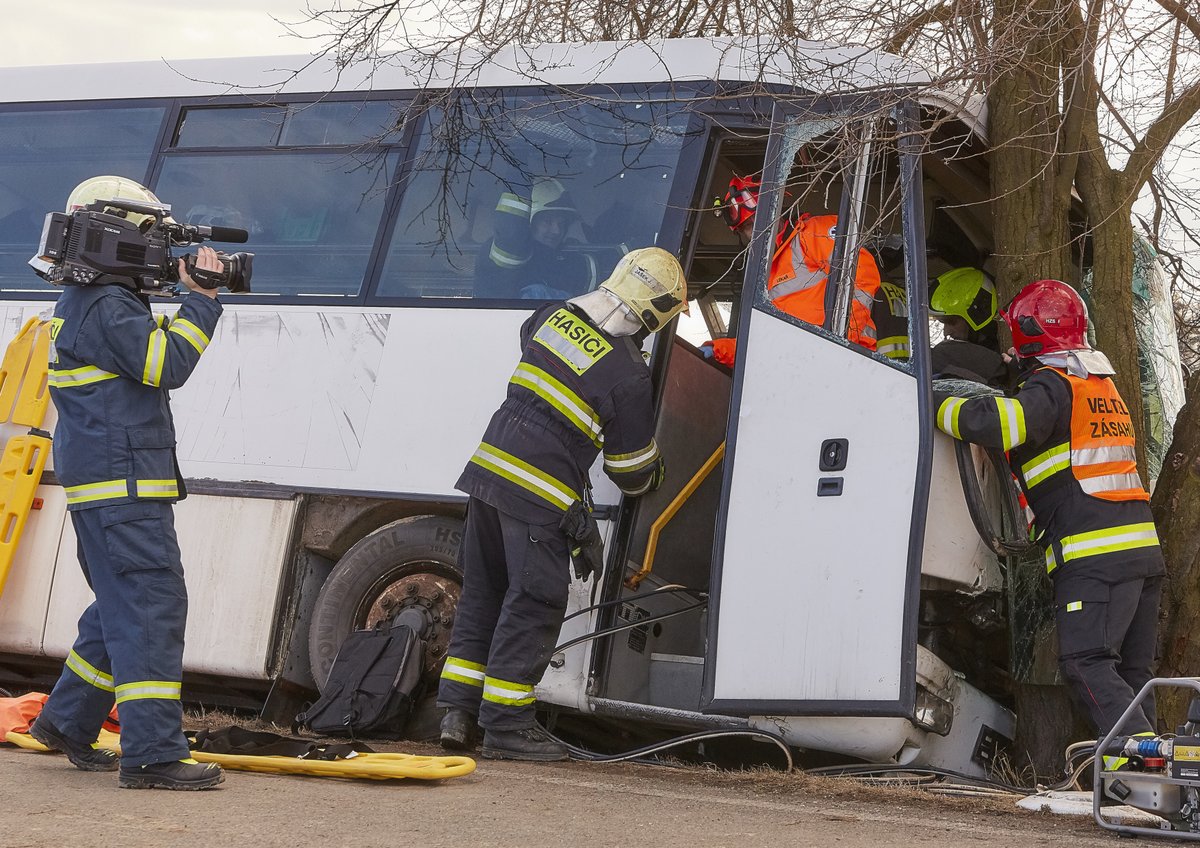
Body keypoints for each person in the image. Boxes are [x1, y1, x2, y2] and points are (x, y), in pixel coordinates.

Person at [438, 247, 687, 761]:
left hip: (487, 477)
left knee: (485, 596)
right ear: (657, 312)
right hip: (538, 493)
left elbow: (545, 357)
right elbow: (632, 472)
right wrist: (658, 464)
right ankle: (507, 726)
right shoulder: (628, 373)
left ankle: (457, 714)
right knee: (535, 601)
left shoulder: (549, 318)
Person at [28, 175, 226, 790]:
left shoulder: (91, 300)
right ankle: (154, 755)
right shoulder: (107, 305)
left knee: (121, 607)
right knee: (150, 608)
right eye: (147, 234)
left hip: (111, 485)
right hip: (123, 487)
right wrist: (203, 301)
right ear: (113, 233)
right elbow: (167, 364)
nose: (157, 247)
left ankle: (66, 722)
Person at [933, 279, 1163, 740]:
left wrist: (936, 403)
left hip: (1093, 555)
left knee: (1086, 662)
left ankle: (1145, 764)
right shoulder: (1097, 385)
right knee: (1133, 677)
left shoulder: (1052, 384)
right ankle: (1148, 784)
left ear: (1028, 332)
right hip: (1141, 555)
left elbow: (1002, 424)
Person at [702, 175, 881, 365]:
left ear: (777, 209)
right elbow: (763, 344)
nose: (757, 229)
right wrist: (719, 350)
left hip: (848, 361)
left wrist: (839, 340)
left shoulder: (812, 232)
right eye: (748, 226)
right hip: (798, 367)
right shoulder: (762, 276)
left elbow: (861, 276)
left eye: (760, 218)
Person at [475, 177, 607, 300]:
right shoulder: (506, 252)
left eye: (562, 224)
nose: (557, 231)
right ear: (528, 222)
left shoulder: (564, 257)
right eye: (547, 222)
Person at [929, 266, 1013, 389]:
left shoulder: (944, 354)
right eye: (943, 323)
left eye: (951, 321)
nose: (946, 331)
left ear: (977, 314)